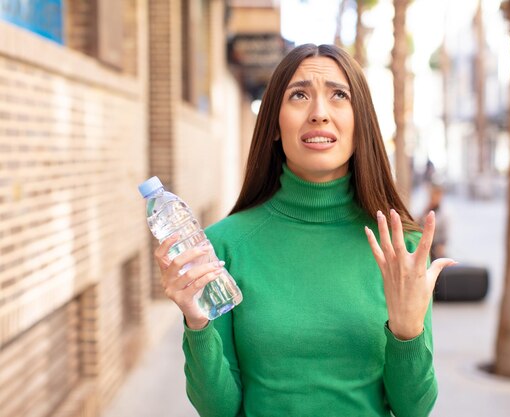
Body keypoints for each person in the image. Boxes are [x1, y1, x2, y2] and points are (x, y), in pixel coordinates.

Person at [154, 44, 456, 417]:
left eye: (338, 95)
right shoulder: (222, 248)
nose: (319, 114)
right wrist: (196, 324)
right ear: (275, 127)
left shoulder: (401, 249)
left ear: (361, 125)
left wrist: (407, 331)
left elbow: (413, 409)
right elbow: (220, 409)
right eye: (299, 95)